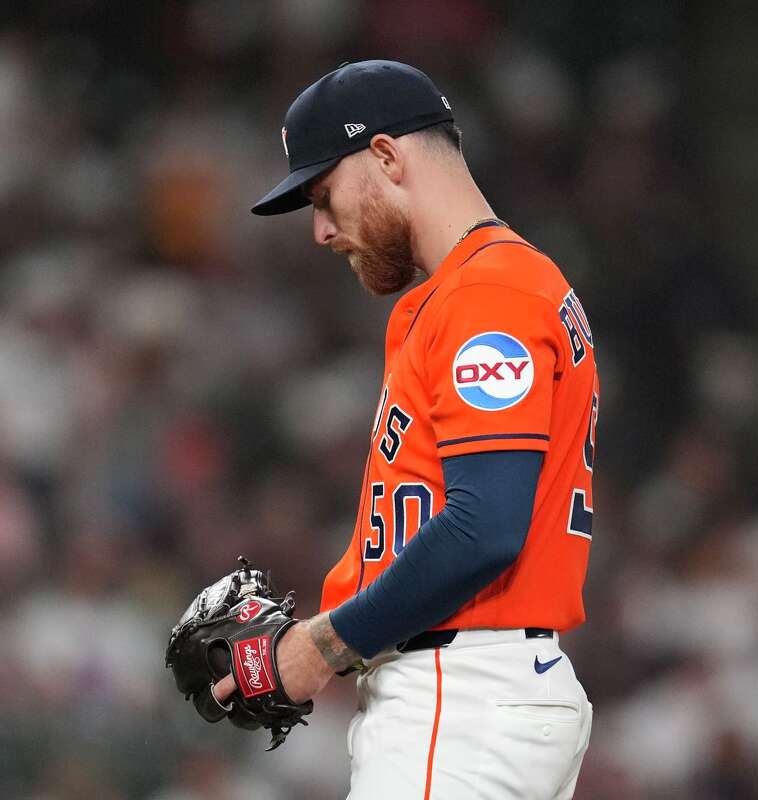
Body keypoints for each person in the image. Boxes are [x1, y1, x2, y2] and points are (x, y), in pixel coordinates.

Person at [213, 60, 597, 799]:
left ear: (386, 156)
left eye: (323, 196)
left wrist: (315, 648)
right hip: (474, 694)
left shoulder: (489, 291)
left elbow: (485, 526)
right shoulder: (477, 289)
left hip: (462, 694)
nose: (321, 230)